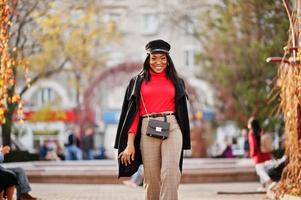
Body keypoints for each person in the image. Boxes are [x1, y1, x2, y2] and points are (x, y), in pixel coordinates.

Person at [114, 39, 191, 200]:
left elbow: (182, 112)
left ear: (168, 60)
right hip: (147, 128)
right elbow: (133, 114)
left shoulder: (177, 81)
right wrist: (129, 144)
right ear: (148, 59)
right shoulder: (137, 82)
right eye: (154, 57)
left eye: (163, 58)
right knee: (152, 179)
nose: (158, 62)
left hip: (173, 126)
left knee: (170, 172)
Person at [247, 117, 273, 192]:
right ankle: (263, 186)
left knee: (259, 171)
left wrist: (252, 154)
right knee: (262, 169)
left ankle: (269, 182)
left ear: (251, 125)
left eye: (248, 123)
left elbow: (253, 145)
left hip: (258, 155)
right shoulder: (261, 131)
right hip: (265, 153)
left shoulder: (251, 133)